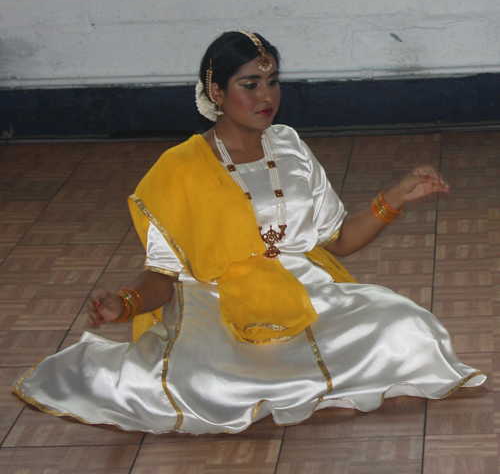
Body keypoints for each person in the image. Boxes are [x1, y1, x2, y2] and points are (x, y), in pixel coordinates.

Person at [13, 31, 485, 435]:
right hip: (216, 307)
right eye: (250, 84)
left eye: (273, 82)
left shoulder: (290, 146)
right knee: (205, 384)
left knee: (407, 326)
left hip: (308, 293)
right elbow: (163, 273)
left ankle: (294, 373)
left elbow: (337, 240)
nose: (267, 97)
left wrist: (395, 198)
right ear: (216, 92)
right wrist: (128, 303)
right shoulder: (178, 169)